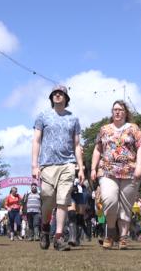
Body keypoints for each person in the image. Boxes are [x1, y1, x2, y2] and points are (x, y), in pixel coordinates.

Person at [32, 85, 84, 251]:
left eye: (60, 93)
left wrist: (80, 167)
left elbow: (77, 144)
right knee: (48, 198)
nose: (57, 95)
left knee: (63, 200)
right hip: (47, 164)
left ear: (66, 98)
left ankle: (59, 237)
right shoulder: (42, 116)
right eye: (54, 93)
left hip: (68, 164)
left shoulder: (73, 119)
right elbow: (36, 141)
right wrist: (35, 164)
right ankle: (45, 228)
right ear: (51, 97)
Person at [91, 100, 141, 250]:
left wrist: (139, 167)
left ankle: (123, 238)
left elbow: (140, 147)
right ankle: (111, 233)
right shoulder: (104, 129)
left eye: (120, 109)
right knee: (109, 200)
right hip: (107, 170)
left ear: (125, 112)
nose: (117, 112)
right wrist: (93, 169)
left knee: (126, 206)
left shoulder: (133, 128)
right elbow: (97, 149)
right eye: (115, 109)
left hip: (130, 171)